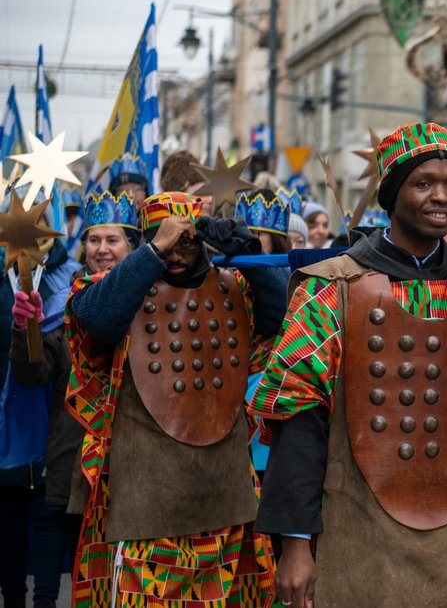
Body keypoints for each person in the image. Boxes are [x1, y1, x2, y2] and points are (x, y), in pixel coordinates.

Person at [250, 122, 447, 607]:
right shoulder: (331, 288)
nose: (442, 197)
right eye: (424, 183)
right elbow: (299, 423)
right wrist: (295, 545)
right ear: (392, 195)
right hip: (358, 530)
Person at [65, 191, 287, 607]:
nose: (178, 253)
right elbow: (97, 318)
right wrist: (154, 250)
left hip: (224, 497)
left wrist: (249, 252)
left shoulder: (234, 287)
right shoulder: (114, 287)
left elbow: (284, 318)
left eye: (188, 242)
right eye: (168, 242)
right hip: (144, 504)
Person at [0, 186, 82, 608]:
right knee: (10, 534)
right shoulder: (4, 278)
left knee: (49, 523)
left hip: (57, 430)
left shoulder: (73, 278)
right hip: (10, 419)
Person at [235, 188, 292, 255]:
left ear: (276, 240)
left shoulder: (293, 265)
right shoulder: (229, 264)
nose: (250, 240)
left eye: (258, 234)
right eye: (247, 233)